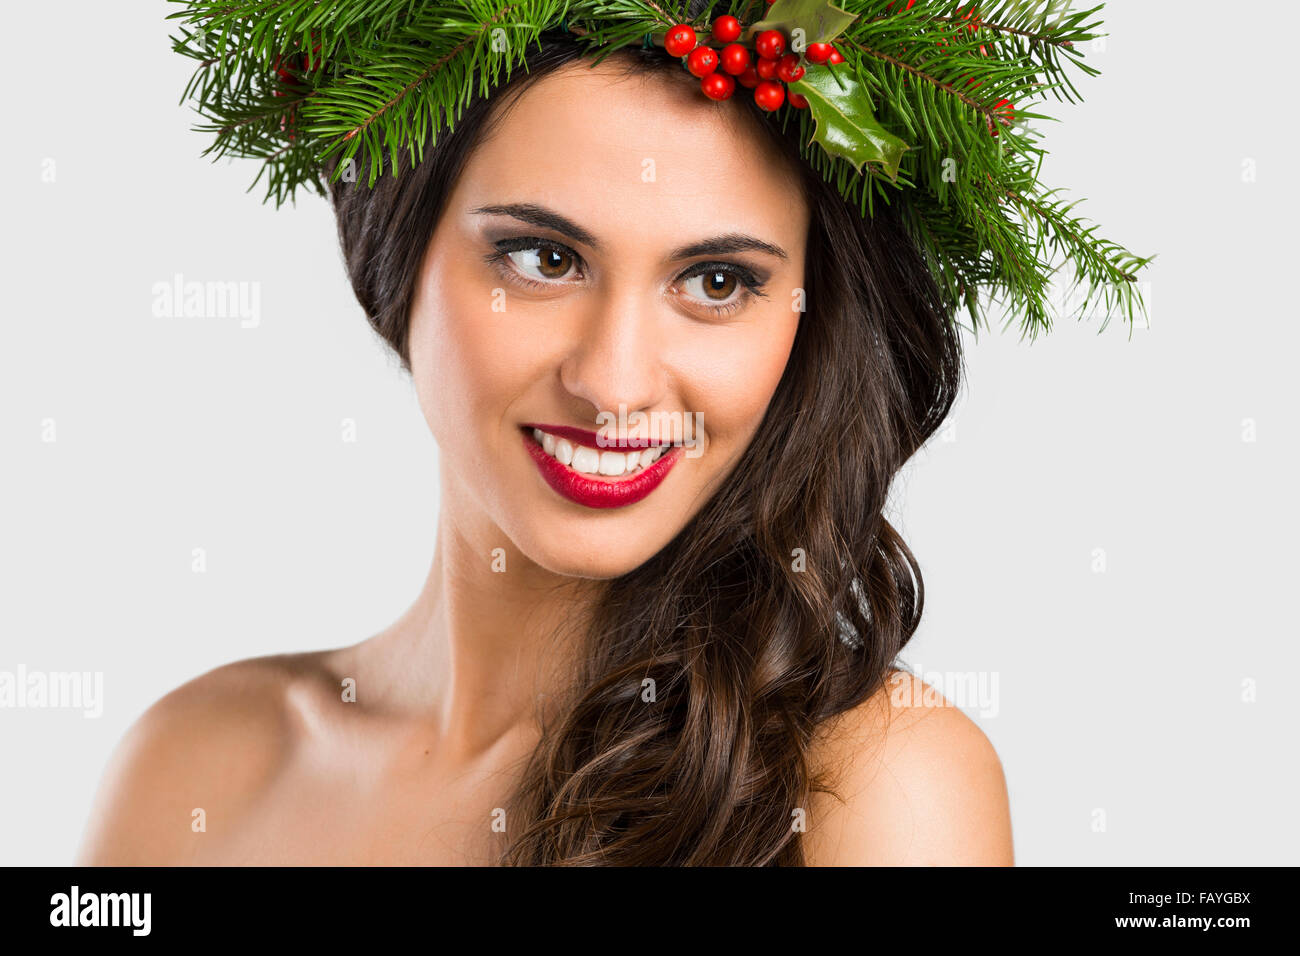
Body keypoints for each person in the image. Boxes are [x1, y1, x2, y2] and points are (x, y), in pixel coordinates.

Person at [77, 18, 1014, 867]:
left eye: (718, 282)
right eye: (545, 259)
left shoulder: (880, 788)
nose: (613, 383)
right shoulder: (192, 768)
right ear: (398, 260)